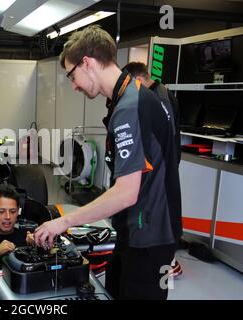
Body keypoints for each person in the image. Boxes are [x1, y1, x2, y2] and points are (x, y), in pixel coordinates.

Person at [34, 25, 182, 300]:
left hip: (149, 236)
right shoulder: (136, 96)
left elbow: (127, 191)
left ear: (87, 63)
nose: (74, 85)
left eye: (72, 75)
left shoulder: (129, 107)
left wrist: (64, 222)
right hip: (140, 229)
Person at [122, 61, 183, 277]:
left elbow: (167, 140)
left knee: (158, 220)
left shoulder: (159, 97)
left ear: (138, 80)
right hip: (162, 168)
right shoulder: (161, 93)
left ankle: (169, 262)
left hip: (162, 170)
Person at [122, 62, 181, 163]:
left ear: (138, 80)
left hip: (163, 165)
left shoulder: (161, 98)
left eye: (129, 86)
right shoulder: (151, 95)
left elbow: (167, 136)